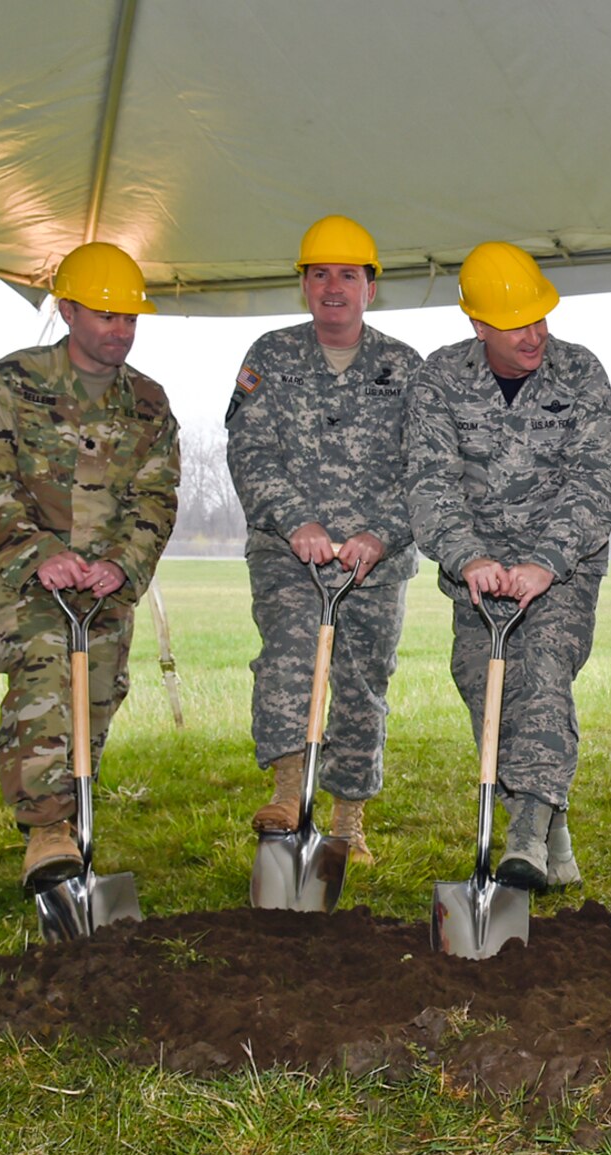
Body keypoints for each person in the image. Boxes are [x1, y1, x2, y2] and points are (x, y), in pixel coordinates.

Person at [0, 241, 180, 888]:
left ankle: (74, 816)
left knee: (99, 692)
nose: (121, 330)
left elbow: (156, 496)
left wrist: (121, 566)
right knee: (49, 669)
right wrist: (38, 553)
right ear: (69, 311)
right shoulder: (10, 383)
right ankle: (47, 828)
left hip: (104, 586)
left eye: (130, 318)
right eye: (107, 315)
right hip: (23, 581)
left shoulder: (150, 404)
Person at [407, 242, 611, 891]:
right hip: (476, 575)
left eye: (540, 319)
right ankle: (551, 829)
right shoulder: (438, 380)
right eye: (515, 323)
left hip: (562, 567)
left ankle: (524, 833)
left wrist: (544, 563)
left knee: (544, 672)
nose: (534, 335)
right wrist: (469, 556)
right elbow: (428, 481)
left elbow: (595, 484)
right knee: (484, 685)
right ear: (478, 324)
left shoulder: (581, 374)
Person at [226, 215, 421, 863]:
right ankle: (288, 793)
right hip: (290, 555)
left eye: (347, 274)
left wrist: (381, 534)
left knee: (363, 681)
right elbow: (250, 452)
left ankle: (347, 821)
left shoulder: (404, 367)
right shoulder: (270, 356)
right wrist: (294, 522)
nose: (332, 286)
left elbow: (426, 467)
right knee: (286, 657)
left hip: (375, 563)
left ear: (371, 286)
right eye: (319, 274)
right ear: (304, 285)